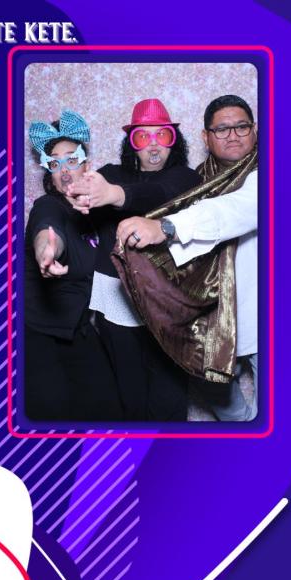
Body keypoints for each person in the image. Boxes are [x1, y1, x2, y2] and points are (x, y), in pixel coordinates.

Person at [116, 95, 258, 421]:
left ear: (254, 130)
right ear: (206, 137)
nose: (232, 135)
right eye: (221, 129)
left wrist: (167, 227)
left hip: (270, 319)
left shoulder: (273, 172)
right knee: (228, 410)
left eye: (241, 127)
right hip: (212, 321)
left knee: (277, 416)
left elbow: (237, 209)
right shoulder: (196, 181)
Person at [66, 98, 200, 421]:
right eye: (143, 137)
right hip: (117, 301)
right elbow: (82, 201)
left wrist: (114, 195)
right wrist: (81, 196)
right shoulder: (111, 174)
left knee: (169, 400)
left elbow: (162, 193)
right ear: (132, 143)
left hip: (167, 304)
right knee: (130, 398)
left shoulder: (186, 178)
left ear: (174, 141)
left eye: (162, 135)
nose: (153, 145)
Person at [23, 110, 121, 421]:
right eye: (54, 164)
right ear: (49, 174)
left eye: (71, 160)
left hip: (77, 328)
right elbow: (47, 230)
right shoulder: (48, 206)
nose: (64, 170)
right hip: (37, 333)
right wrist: (48, 250)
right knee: (50, 416)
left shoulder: (97, 211)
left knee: (110, 410)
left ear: (86, 164)